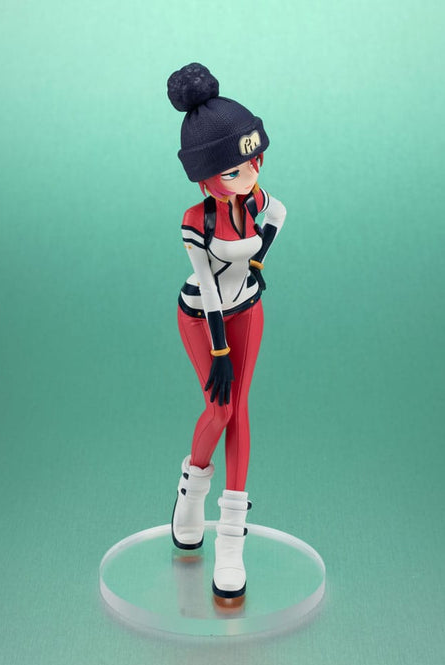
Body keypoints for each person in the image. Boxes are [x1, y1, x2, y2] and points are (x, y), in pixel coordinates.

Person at [167, 63, 286, 598]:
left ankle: (231, 539)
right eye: (234, 170)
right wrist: (218, 351)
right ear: (205, 177)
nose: (248, 175)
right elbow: (210, 289)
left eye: (253, 162)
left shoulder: (255, 200)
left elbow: (278, 213)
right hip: (203, 316)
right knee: (218, 409)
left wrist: (258, 263)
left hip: (249, 310)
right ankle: (191, 491)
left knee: (240, 411)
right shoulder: (198, 220)